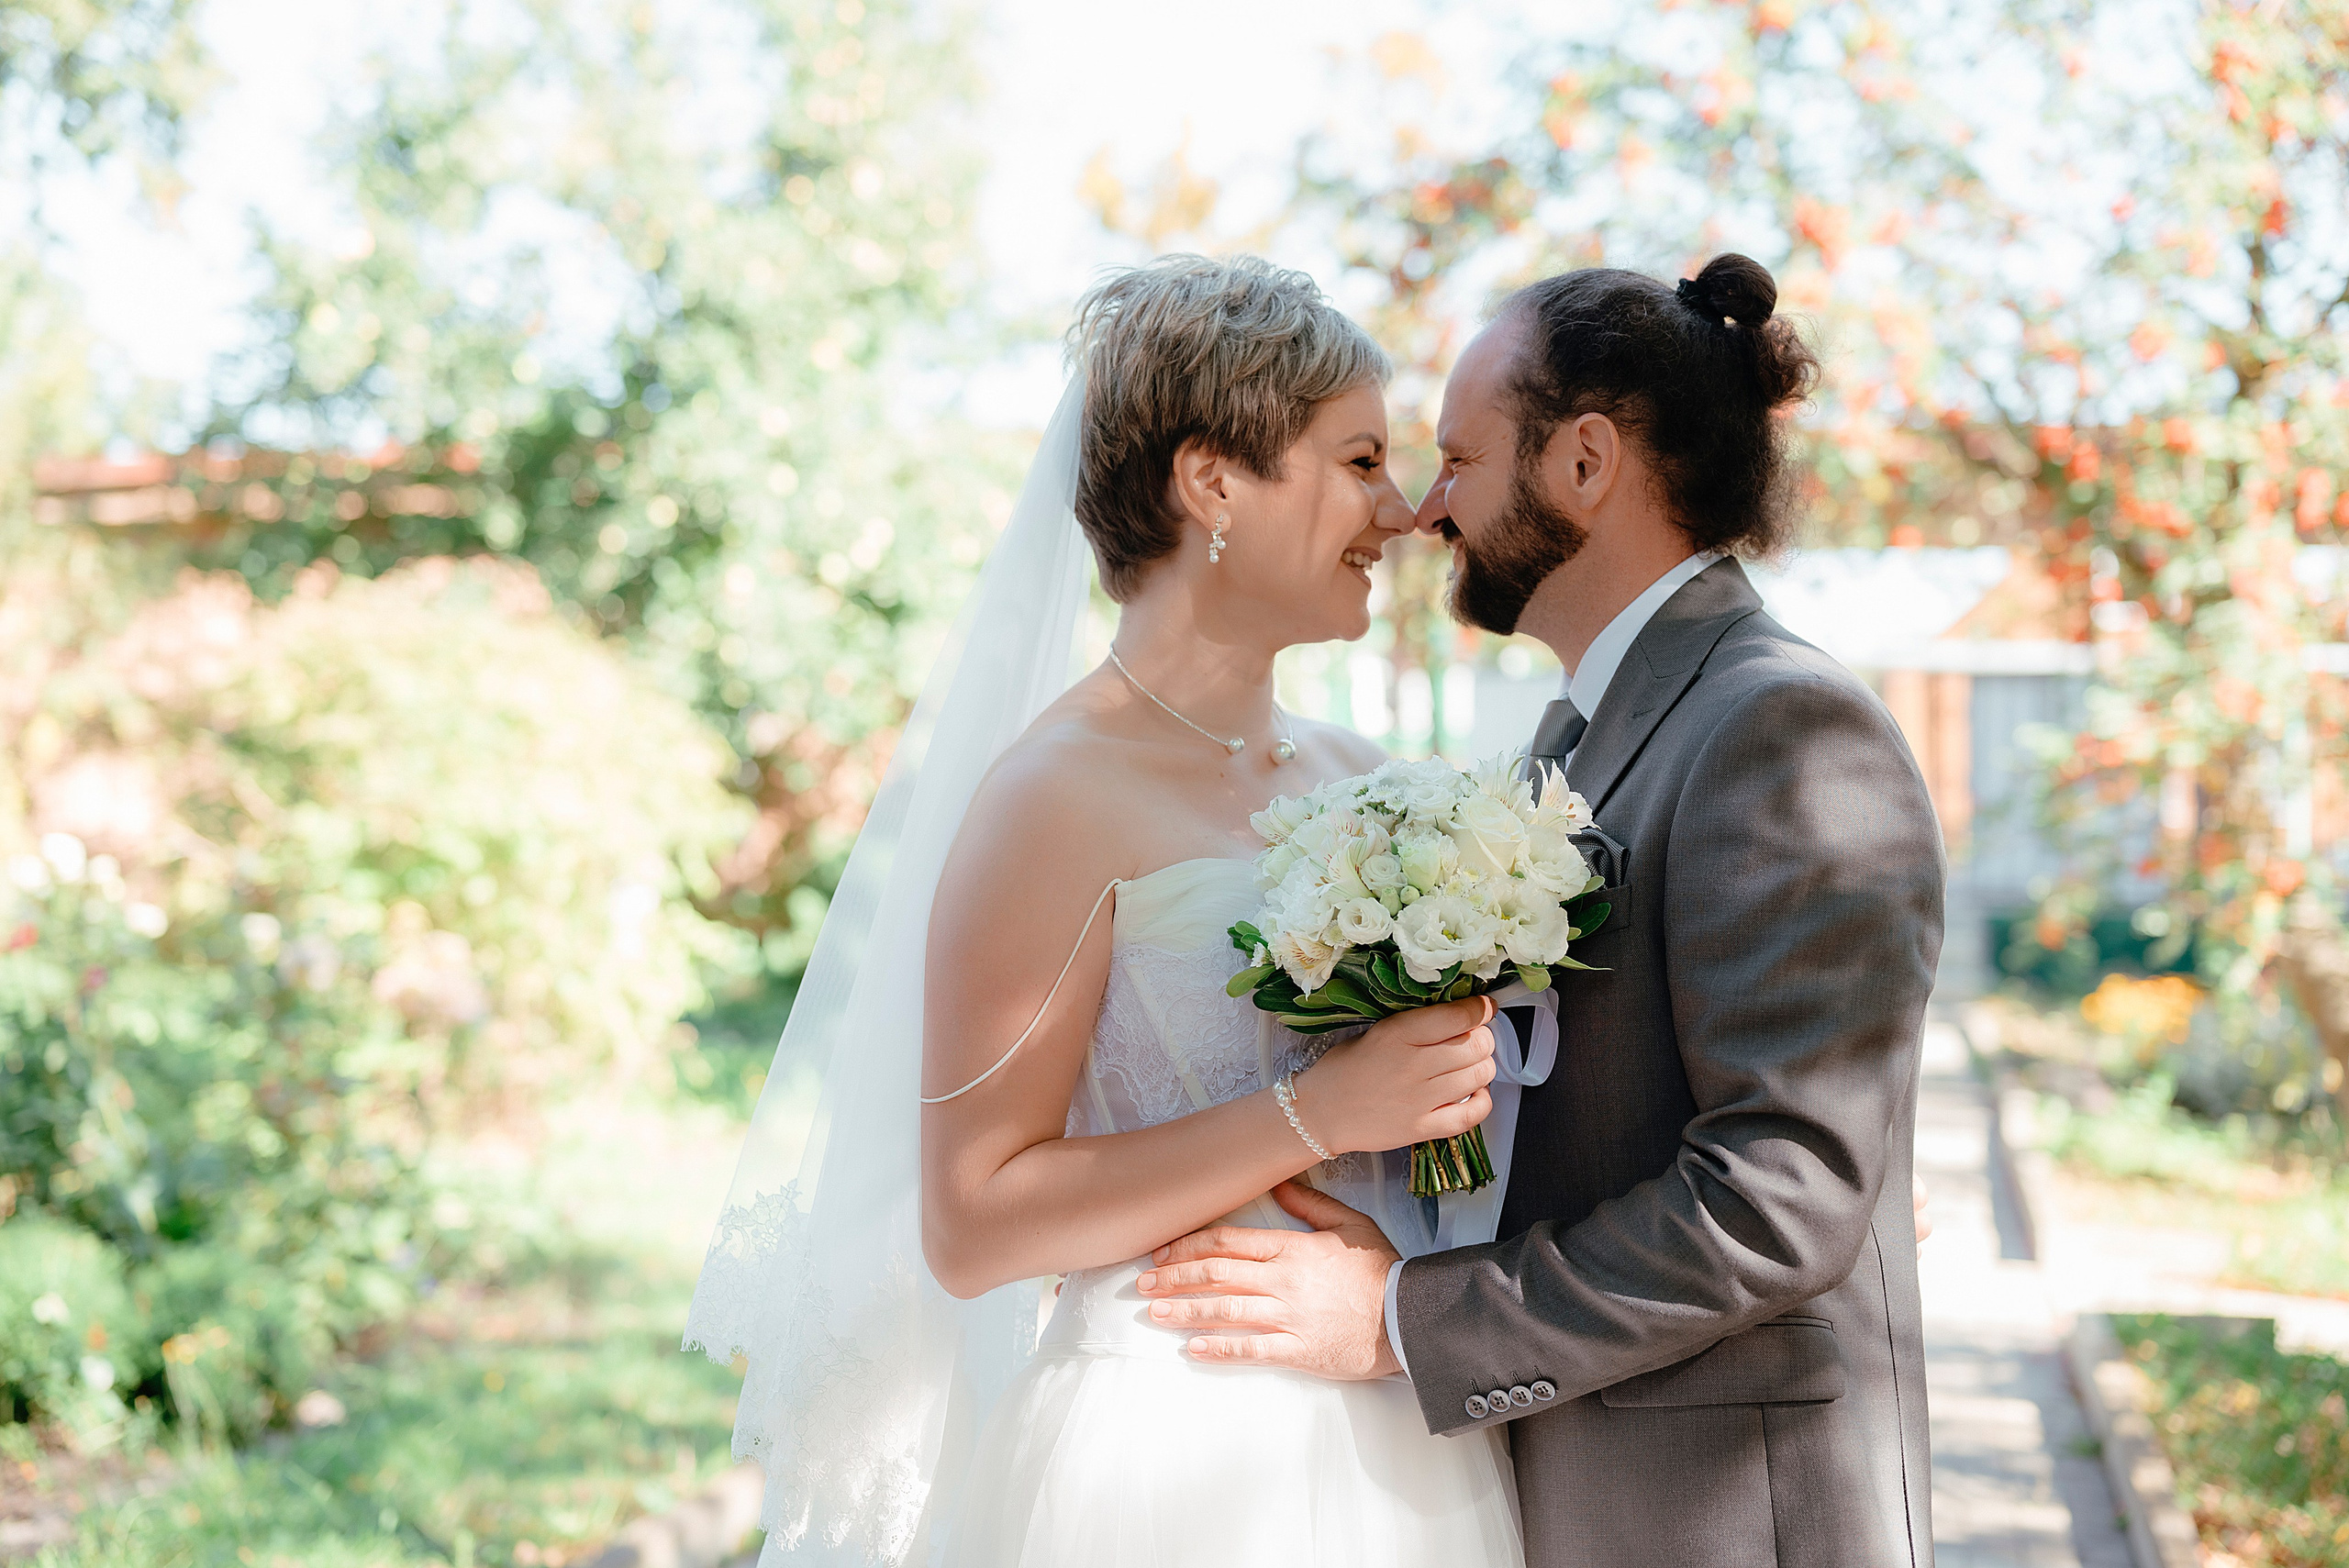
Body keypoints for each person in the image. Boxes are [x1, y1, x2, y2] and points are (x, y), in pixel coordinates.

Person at [688, 254, 1523, 1567]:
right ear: (1213, 483)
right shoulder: (1052, 799)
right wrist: (1321, 1112)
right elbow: (974, 1223)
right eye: (1360, 460)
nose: (1403, 508)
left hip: (1392, 1438)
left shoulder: (1369, 784)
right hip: (1161, 1447)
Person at [1136, 254, 1946, 1568]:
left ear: (1584, 462)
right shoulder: (1580, 741)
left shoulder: (1784, 730)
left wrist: (1402, 1319)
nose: (1425, 508)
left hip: (1723, 1521)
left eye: (1458, 458)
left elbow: (1784, 1194)